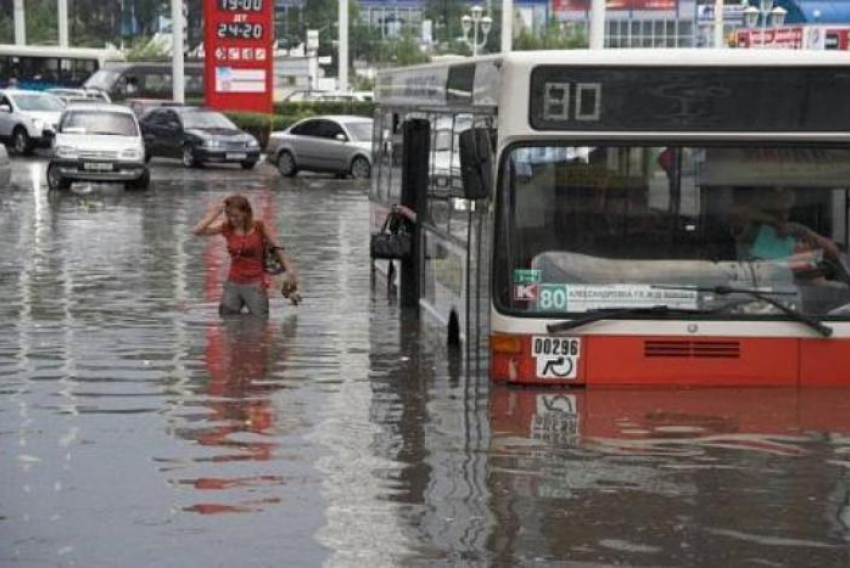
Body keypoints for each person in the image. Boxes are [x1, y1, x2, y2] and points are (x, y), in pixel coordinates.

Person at [192, 194, 298, 316]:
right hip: (233, 283)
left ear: (246, 213)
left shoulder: (259, 227)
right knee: (227, 320)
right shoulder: (226, 228)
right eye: (229, 215)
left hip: (255, 284)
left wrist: (290, 270)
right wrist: (214, 214)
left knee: (259, 323)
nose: (233, 219)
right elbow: (197, 231)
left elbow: (277, 248)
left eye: (236, 216)